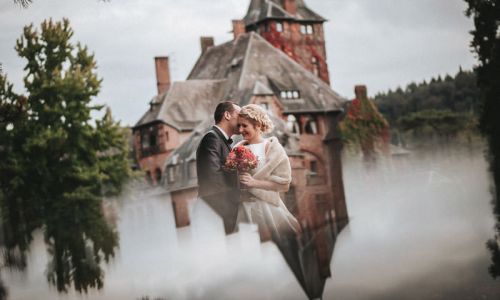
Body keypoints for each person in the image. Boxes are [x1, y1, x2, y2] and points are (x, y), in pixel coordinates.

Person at [235, 104, 300, 240]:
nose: (240, 130)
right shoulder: (237, 149)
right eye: (239, 126)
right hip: (243, 210)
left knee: (274, 247)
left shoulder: (273, 148)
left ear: (257, 125)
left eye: (244, 126)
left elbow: (284, 184)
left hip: (268, 207)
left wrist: (254, 183)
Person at [196, 101, 241, 234]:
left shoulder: (221, 140)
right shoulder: (212, 138)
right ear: (227, 115)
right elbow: (213, 178)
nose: (242, 119)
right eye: (239, 114)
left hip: (223, 214)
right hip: (216, 214)